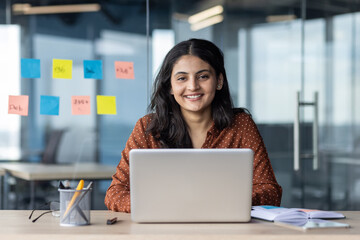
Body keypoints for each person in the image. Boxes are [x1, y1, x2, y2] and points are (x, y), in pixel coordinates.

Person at [105, 38, 282, 212]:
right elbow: (115, 193)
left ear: (219, 81)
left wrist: (222, 202)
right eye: (182, 78)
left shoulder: (241, 125)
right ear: (170, 87)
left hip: (223, 229)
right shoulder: (148, 127)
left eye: (203, 76)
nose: (193, 86)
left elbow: (269, 191)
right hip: (163, 229)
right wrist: (163, 205)